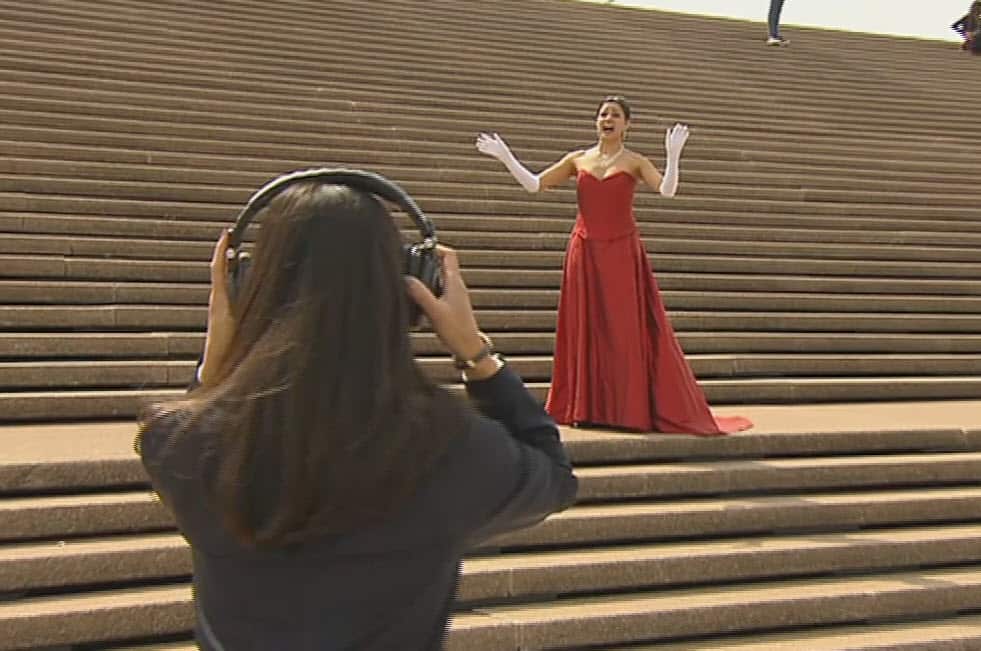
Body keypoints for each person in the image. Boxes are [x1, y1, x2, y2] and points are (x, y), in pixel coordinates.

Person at [135, 175, 578, 650]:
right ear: (411, 288)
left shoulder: (178, 443)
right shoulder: (455, 447)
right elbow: (553, 477)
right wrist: (475, 354)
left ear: (246, 290)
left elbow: (199, 416)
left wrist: (216, 359)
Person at [475, 97, 752, 436]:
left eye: (615, 115)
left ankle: (627, 409)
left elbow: (666, 190)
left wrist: (674, 155)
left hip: (622, 252)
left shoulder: (635, 161)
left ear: (627, 124)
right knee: (584, 325)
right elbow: (535, 184)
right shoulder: (578, 159)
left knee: (623, 329)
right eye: (603, 114)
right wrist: (505, 156)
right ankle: (585, 406)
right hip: (584, 249)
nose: (608, 119)